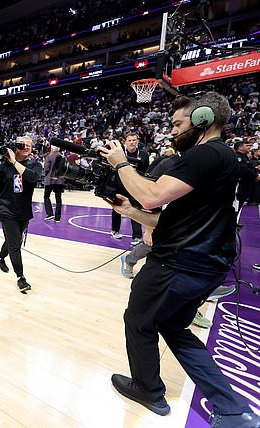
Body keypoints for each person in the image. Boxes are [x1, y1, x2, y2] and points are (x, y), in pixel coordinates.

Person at [100, 92, 260, 427]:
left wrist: (121, 163)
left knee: (138, 321)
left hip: (177, 264)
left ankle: (148, 390)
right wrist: (129, 211)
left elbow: (152, 194)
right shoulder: (229, 160)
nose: (172, 131)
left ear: (202, 118)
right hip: (208, 265)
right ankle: (231, 408)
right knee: (171, 324)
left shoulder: (203, 154)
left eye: (177, 123)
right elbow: (174, 220)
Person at [0, 136, 43, 293]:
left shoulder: (35, 164)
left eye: (29, 145)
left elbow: (33, 177)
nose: (26, 147)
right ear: (15, 147)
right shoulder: (3, 166)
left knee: (14, 240)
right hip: (7, 210)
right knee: (15, 244)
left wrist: (14, 162)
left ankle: (0, 257)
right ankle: (21, 278)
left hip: (24, 211)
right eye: (22, 145)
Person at [110, 133, 149, 245]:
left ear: (137, 141)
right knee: (117, 207)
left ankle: (137, 236)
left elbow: (146, 172)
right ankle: (115, 230)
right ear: (125, 142)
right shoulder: (120, 154)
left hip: (135, 185)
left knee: (135, 209)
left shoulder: (143, 154)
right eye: (130, 140)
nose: (132, 142)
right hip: (119, 184)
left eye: (134, 140)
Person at [43, 145, 66, 222]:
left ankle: (50, 214)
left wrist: (46, 175)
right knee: (58, 199)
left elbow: (46, 168)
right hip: (60, 181)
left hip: (50, 180)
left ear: (52, 149)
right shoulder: (63, 157)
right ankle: (57, 218)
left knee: (46, 196)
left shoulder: (49, 157)